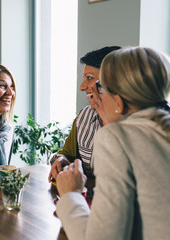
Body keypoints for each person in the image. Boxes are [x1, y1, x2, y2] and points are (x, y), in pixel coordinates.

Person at [55, 47, 170, 240]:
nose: (97, 94)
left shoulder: (117, 138)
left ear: (119, 100)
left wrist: (71, 195)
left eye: (101, 88)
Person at [48, 46, 121, 197]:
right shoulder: (84, 117)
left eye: (89, 78)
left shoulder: (134, 128)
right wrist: (61, 160)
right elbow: (66, 153)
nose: (82, 87)